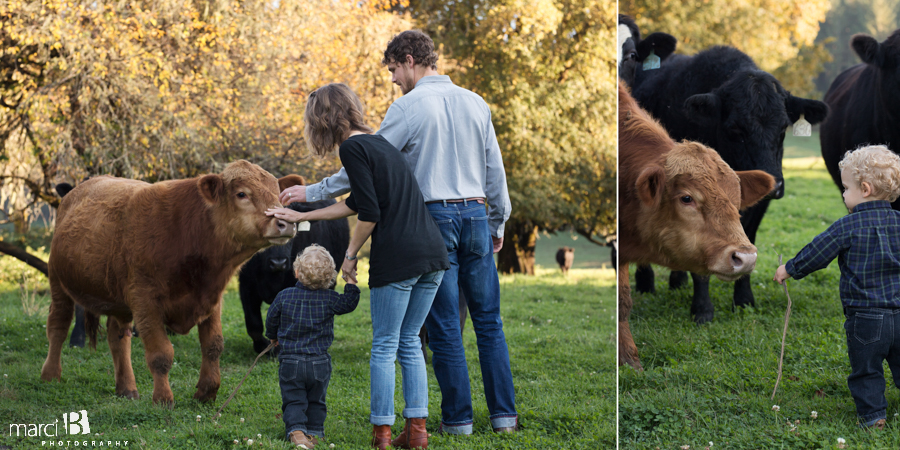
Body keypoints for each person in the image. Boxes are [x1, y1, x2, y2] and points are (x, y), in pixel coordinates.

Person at [281, 29, 518, 436]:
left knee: (443, 325)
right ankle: (504, 419)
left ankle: (458, 421)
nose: (393, 79)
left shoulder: (407, 109)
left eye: (393, 68)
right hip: (477, 214)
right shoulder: (477, 102)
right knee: (490, 323)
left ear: (409, 59)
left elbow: (366, 163)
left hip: (431, 219)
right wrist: (497, 219)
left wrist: (313, 191)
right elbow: (494, 169)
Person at [267, 82, 449, 450]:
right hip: (432, 254)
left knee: (384, 345)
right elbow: (353, 202)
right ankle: (417, 433)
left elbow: (369, 212)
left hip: (399, 256)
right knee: (410, 343)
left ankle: (381, 435)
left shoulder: (352, 147)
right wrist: (300, 212)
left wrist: (349, 256)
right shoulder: (380, 142)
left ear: (323, 119)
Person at [774, 145, 900, 430]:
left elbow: (817, 252)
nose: (843, 194)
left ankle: (873, 418)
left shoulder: (847, 226)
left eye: (845, 188)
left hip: (866, 319)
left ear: (864, 189)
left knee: (866, 371)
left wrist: (789, 268)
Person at [265, 244, 361, 448]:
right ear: (330, 277)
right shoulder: (331, 299)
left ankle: (297, 432)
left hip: (291, 361)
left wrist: (273, 337)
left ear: (297, 272)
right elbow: (349, 303)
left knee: (293, 398)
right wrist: (351, 280)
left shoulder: (284, 296)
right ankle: (315, 433)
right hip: (319, 362)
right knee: (317, 399)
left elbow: (271, 318)